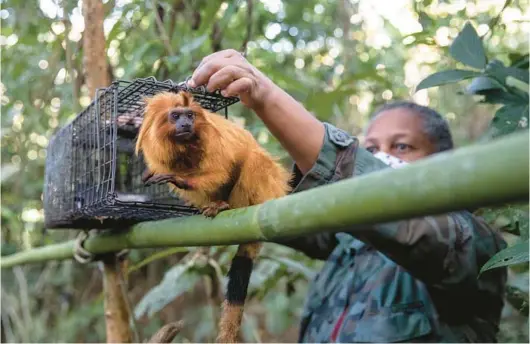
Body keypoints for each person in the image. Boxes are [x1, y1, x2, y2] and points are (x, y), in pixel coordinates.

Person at [187, 49, 508, 343]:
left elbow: (409, 222)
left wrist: (264, 95)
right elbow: (270, 200)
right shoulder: (347, 242)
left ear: (441, 161)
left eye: (402, 147)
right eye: (371, 150)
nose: (382, 158)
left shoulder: (471, 245)